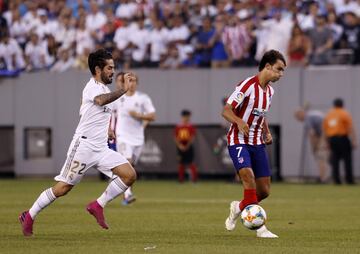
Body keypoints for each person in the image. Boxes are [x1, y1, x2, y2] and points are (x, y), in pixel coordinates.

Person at [19, 49, 137, 236]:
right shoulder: (93, 87)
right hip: (83, 147)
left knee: (129, 175)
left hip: (101, 148)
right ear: (98, 69)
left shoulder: (104, 89)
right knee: (63, 188)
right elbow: (99, 101)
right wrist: (123, 90)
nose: (113, 72)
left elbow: (89, 112)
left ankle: (97, 205)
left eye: (113, 68)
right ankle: (30, 215)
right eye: (109, 68)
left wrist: (107, 130)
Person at [223, 49, 286, 238]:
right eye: (279, 69)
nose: (281, 74)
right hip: (238, 140)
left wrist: (266, 131)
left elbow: (260, 114)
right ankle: (261, 228)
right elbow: (226, 110)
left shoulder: (270, 92)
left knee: (264, 190)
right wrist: (239, 121)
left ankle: (239, 207)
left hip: (257, 142)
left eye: (283, 71)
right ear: (267, 66)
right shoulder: (247, 85)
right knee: (248, 176)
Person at [113, 71, 156, 205]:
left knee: (131, 168)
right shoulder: (118, 98)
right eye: (129, 81)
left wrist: (139, 116)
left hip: (138, 138)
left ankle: (121, 189)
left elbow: (152, 116)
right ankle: (128, 194)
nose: (131, 84)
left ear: (137, 83)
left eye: (133, 81)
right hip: (123, 136)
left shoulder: (143, 98)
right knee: (128, 163)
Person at [323, 98, 357, 184]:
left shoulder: (329, 115)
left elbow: (325, 130)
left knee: (335, 160)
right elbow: (350, 128)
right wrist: (354, 140)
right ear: (342, 105)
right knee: (347, 160)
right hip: (343, 138)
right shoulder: (344, 113)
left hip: (332, 139)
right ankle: (349, 180)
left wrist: (327, 143)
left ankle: (336, 180)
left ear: (334, 105)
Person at [294, 107, 328, 183]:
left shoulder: (307, 119)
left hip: (325, 136)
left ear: (301, 113)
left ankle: (323, 179)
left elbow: (312, 134)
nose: (298, 119)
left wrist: (315, 147)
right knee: (322, 158)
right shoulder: (312, 115)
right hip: (328, 135)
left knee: (321, 157)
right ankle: (322, 177)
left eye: (297, 117)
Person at [174, 110, 198, 183]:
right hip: (180, 146)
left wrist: (187, 146)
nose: (187, 118)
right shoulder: (178, 127)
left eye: (188, 116)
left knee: (191, 163)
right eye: (186, 116)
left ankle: (194, 179)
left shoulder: (191, 127)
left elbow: (192, 137)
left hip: (188, 146)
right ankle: (181, 179)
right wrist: (180, 146)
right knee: (181, 163)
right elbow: (176, 138)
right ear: (183, 117)